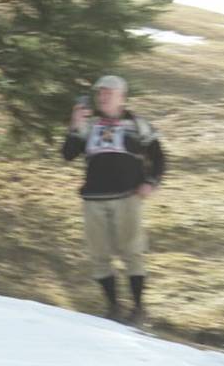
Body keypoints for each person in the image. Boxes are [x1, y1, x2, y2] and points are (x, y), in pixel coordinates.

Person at [62, 75, 166, 323]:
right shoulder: (90, 125)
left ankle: (138, 308)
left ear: (122, 97)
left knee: (133, 252)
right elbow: (67, 154)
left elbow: (160, 158)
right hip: (93, 199)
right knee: (99, 254)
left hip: (127, 197)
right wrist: (75, 125)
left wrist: (150, 183)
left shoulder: (139, 125)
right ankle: (113, 307)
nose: (103, 96)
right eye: (100, 93)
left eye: (109, 92)